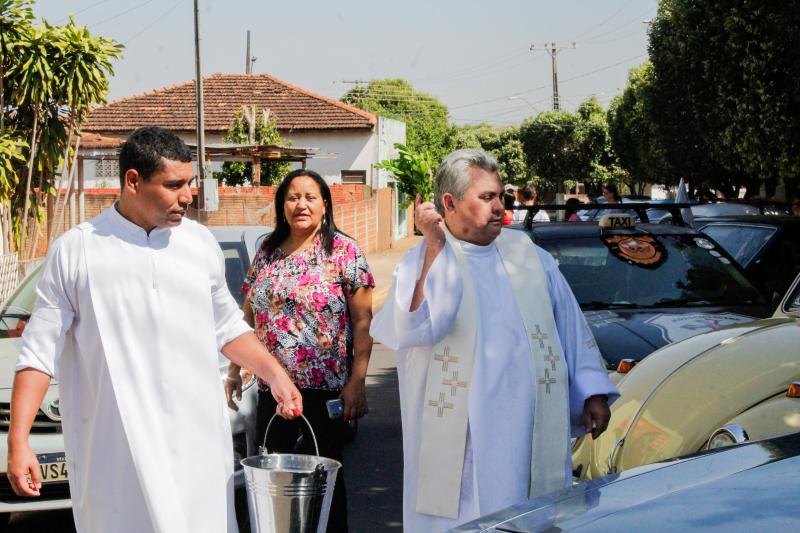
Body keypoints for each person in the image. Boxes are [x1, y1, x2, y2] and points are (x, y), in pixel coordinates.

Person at [6, 126, 302, 533]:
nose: (188, 195)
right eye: (174, 184)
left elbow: (228, 326)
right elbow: (38, 351)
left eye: (190, 183)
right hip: (116, 453)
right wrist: (18, 440)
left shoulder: (199, 244)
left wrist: (276, 374)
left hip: (197, 448)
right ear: (132, 181)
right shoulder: (78, 250)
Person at [370, 149, 618, 532]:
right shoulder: (426, 257)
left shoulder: (527, 255)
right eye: (487, 198)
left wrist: (593, 391)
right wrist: (434, 245)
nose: (500, 207)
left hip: (526, 425)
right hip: (461, 436)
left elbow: (568, 323)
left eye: (501, 196)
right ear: (449, 203)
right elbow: (413, 328)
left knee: (526, 511)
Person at [226, 169, 375, 532]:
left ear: (325, 204)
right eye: (293, 197)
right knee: (272, 485)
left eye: (310, 197)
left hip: (324, 393)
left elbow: (363, 324)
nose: (301, 204)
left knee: (323, 487)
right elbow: (246, 314)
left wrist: (357, 381)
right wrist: (234, 369)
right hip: (272, 391)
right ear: (282, 206)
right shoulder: (267, 251)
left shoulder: (344, 251)